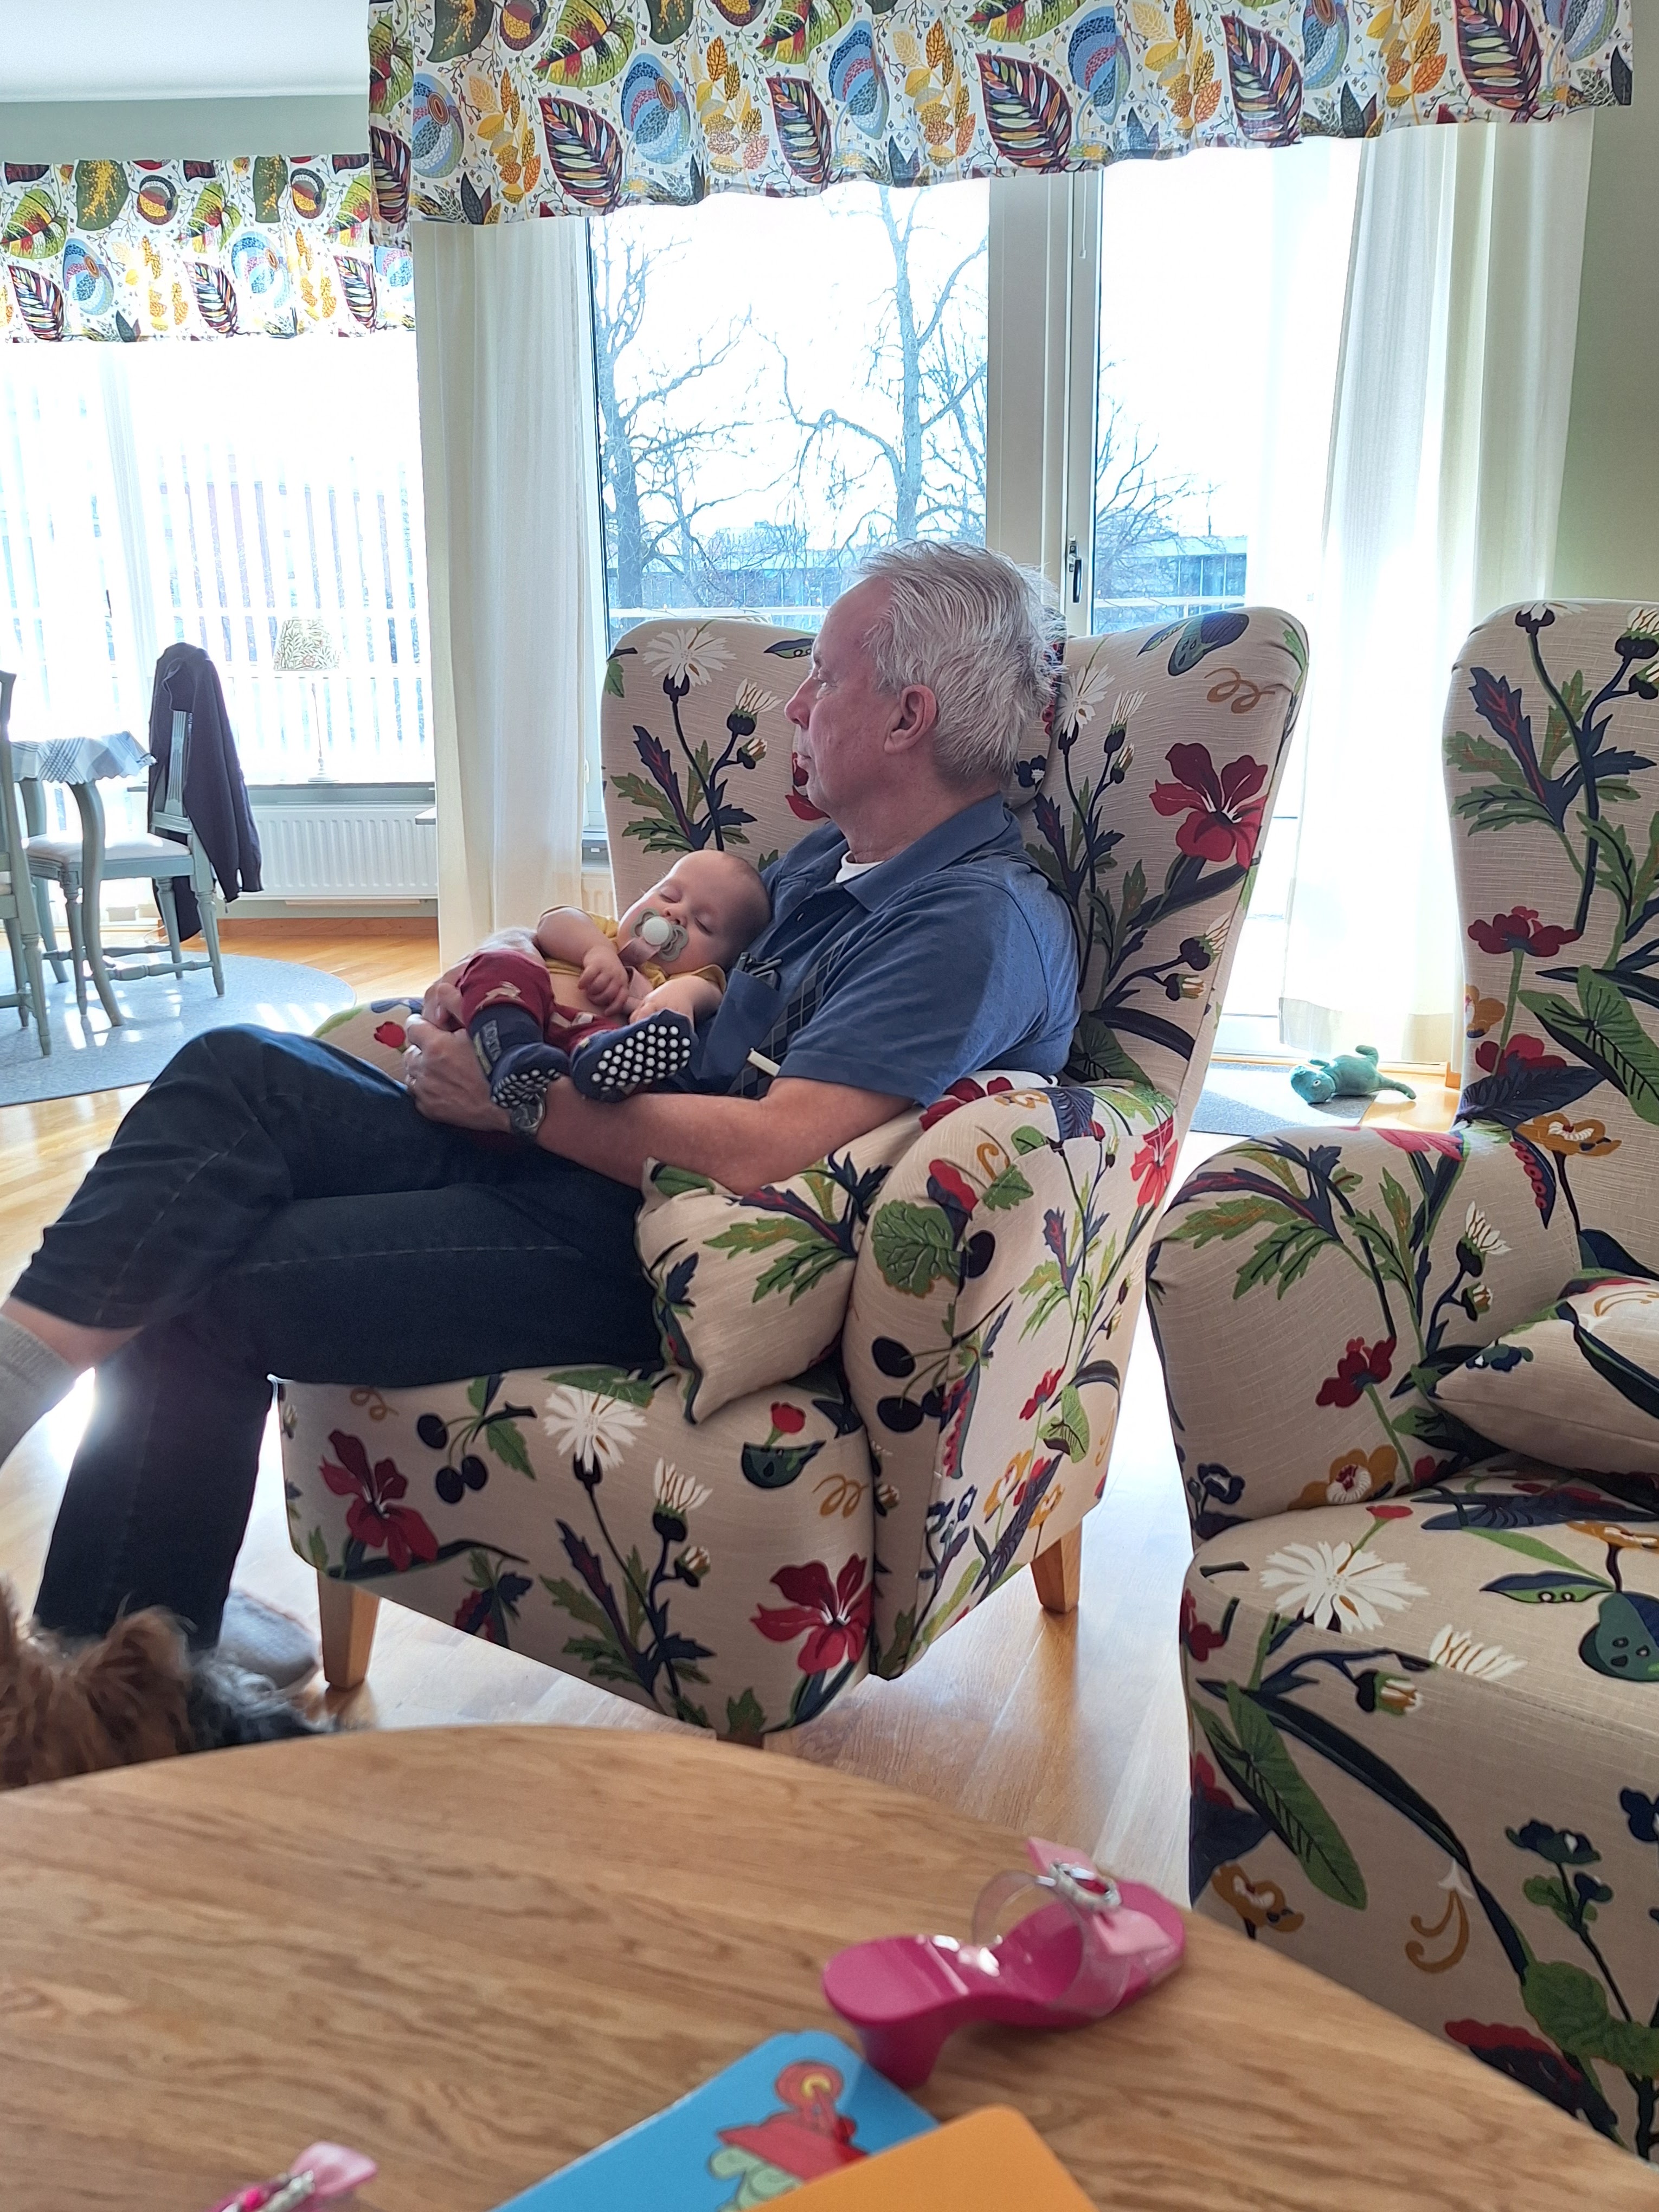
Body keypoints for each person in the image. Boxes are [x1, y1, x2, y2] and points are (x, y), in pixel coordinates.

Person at [0, 542, 1080, 1680]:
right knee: (238, 1072)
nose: (795, 705)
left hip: (638, 1248)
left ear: (908, 717)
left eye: (823, 676)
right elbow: (677, 990)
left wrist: (522, 1104)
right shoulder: (835, 863)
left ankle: (120, 1669)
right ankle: (119, 1574)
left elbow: (772, 1149)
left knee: (208, 1278)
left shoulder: (966, 923)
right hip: (579, 1157)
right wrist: (525, 991)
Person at [457, 848, 772, 1131]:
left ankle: (601, 1073)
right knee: (502, 963)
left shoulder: (689, 977)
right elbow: (552, 922)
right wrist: (596, 951)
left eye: (703, 924)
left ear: (725, 959)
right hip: (520, 1010)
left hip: (582, 1043)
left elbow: (707, 993)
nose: (674, 914)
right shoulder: (604, 933)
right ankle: (511, 1054)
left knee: (623, 1042)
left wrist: (673, 998)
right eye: (668, 895)